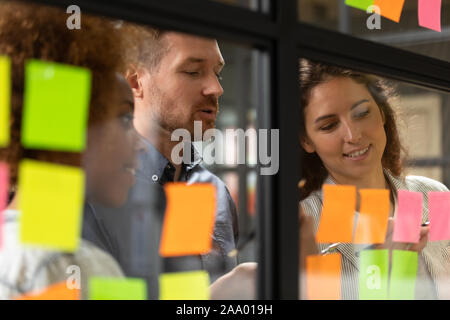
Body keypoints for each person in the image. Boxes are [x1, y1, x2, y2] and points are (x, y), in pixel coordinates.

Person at [83, 24, 239, 298]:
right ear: (135, 81)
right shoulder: (97, 192)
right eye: (193, 71)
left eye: (218, 73)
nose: (216, 88)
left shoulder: (216, 192)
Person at [0, 2, 142, 299]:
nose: (139, 142)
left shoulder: (16, 251)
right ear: (72, 122)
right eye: (125, 118)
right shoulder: (74, 266)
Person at [298, 58, 450, 300]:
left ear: (381, 112)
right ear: (306, 141)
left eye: (362, 113)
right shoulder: (305, 225)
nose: (353, 135)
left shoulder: (434, 196)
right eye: (329, 126)